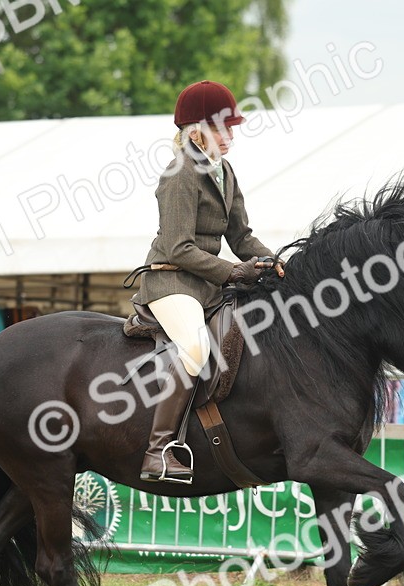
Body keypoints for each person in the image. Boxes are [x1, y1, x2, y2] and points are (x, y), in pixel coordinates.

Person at [131, 80, 281, 483]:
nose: (230, 136)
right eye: (221, 128)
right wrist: (233, 272)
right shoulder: (180, 174)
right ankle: (158, 450)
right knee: (195, 347)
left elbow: (241, 236)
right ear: (196, 130)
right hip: (171, 282)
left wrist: (274, 262)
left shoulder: (223, 171)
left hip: (205, 286)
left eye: (231, 128)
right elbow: (179, 248)